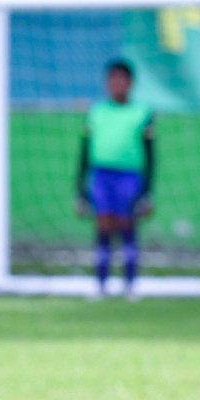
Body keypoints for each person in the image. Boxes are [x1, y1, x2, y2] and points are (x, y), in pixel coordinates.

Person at [77, 58, 154, 299]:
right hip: (101, 175)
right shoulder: (96, 112)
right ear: (107, 83)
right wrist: (79, 190)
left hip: (129, 176)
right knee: (103, 225)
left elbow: (151, 156)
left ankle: (130, 284)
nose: (117, 83)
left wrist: (147, 191)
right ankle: (100, 284)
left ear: (130, 83)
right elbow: (83, 154)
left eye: (122, 78)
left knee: (127, 225)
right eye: (113, 78)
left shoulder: (142, 113)